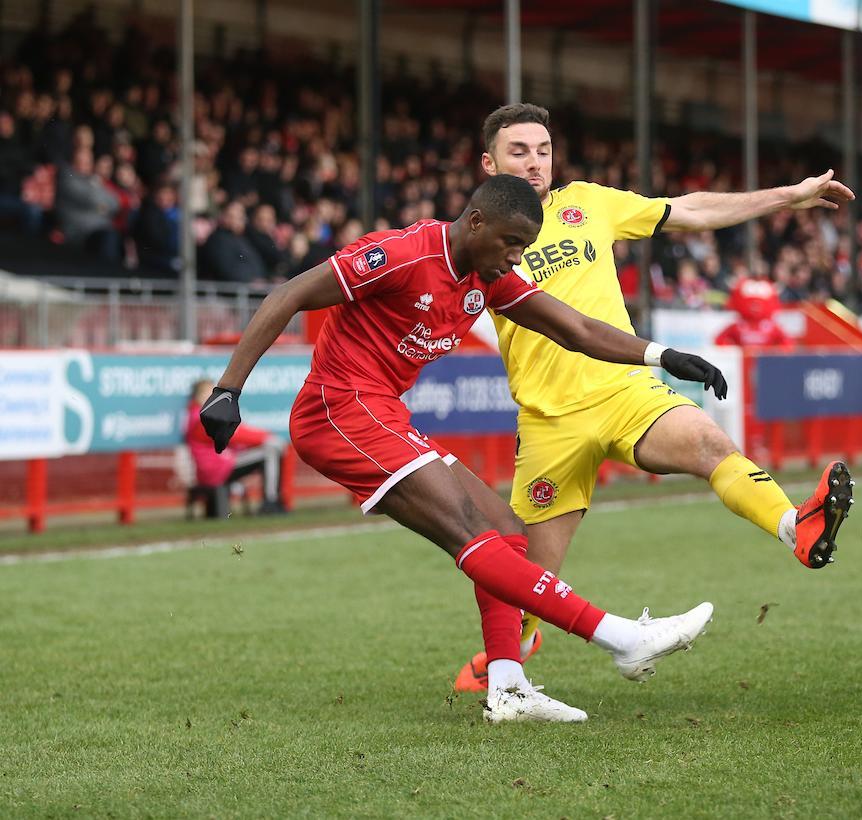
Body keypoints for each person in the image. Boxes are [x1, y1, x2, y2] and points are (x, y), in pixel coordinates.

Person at [198, 174, 726, 723]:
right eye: (511, 243)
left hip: (381, 411)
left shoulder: (487, 277)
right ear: (475, 222)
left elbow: (575, 329)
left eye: (524, 247)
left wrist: (661, 356)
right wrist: (228, 389)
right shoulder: (402, 255)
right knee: (472, 533)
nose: (516, 258)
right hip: (337, 409)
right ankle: (620, 637)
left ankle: (508, 686)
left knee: (506, 530)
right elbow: (289, 294)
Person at [453, 103, 856, 692]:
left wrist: (787, 196)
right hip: (548, 424)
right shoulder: (475, 240)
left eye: (542, 150)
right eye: (519, 151)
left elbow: (688, 210)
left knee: (706, 441)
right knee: (526, 582)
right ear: (489, 162)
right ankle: (511, 651)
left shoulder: (587, 203)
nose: (534, 162)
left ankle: (798, 526)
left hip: (626, 391)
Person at [185, 379, 285, 514]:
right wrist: (266, 437)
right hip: (218, 468)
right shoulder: (201, 417)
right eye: (209, 392)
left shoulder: (196, 415)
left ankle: (272, 501)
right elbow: (235, 435)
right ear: (199, 396)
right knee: (270, 451)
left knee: (269, 449)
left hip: (217, 466)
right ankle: (270, 502)